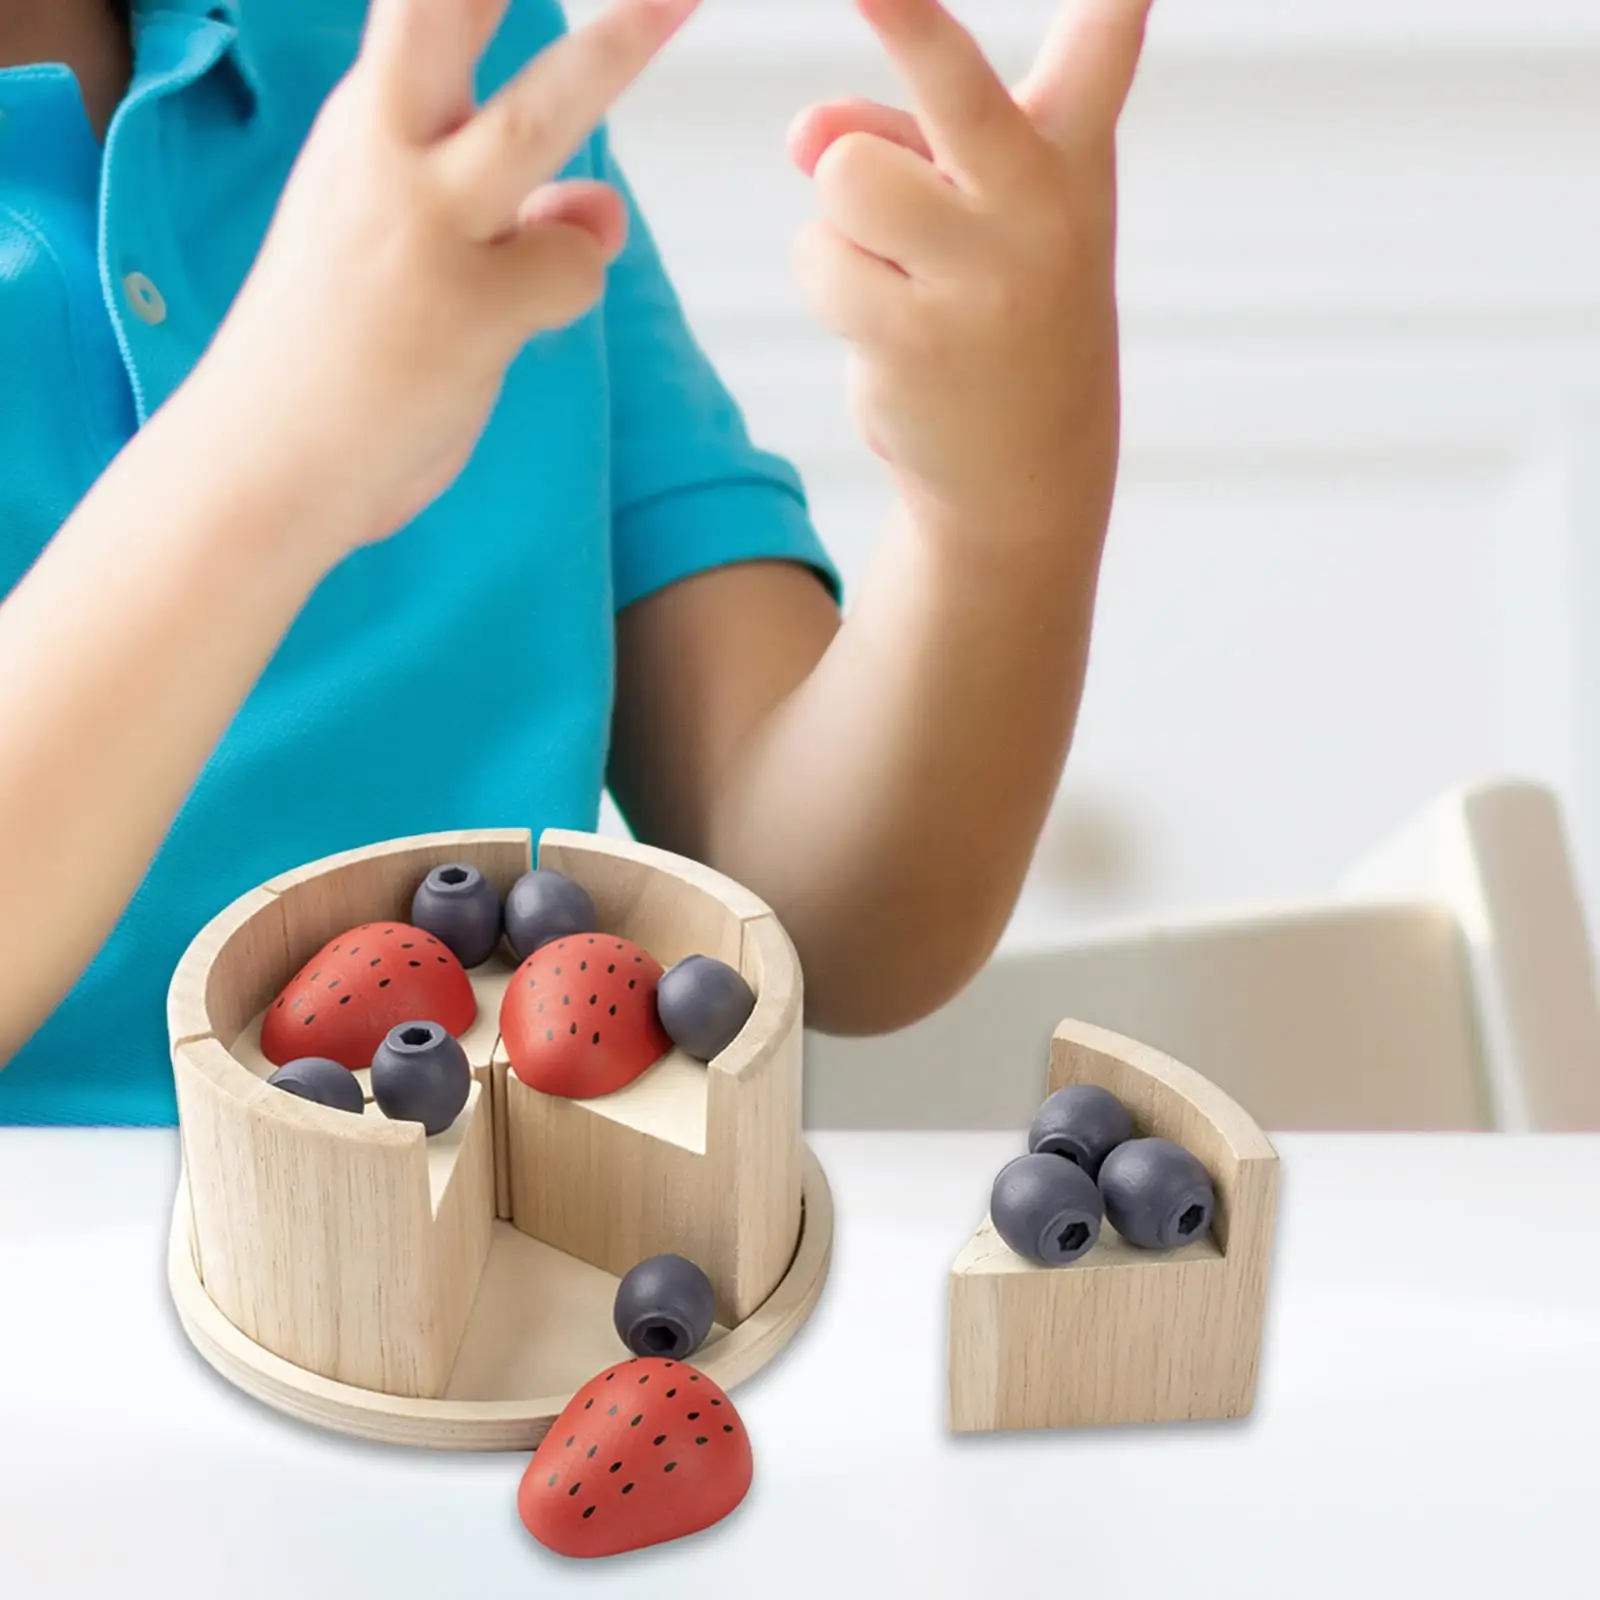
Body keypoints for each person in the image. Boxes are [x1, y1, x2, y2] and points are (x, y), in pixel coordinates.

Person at [0, 0, 1152, 1124]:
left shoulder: (436, 70)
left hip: (526, 1277)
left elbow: (828, 924)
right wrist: (263, 456)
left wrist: (1001, 513)